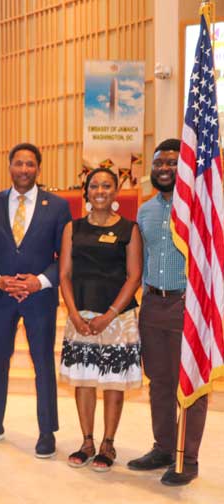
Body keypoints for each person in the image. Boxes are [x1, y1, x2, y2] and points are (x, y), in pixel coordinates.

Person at [0, 142, 71, 458]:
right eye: (19, 163)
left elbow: (64, 256)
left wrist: (39, 281)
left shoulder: (56, 206)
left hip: (39, 298)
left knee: (43, 363)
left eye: (30, 164)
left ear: (38, 169)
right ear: (10, 166)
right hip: (1, 296)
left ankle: (47, 432)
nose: (24, 169)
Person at [127, 138, 208, 486]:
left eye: (172, 163)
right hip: (153, 304)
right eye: (159, 163)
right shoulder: (145, 210)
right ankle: (163, 447)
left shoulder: (199, 208)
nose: (164, 169)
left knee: (190, 384)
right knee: (159, 382)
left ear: (185, 167)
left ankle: (186, 459)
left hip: (187, 305)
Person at [58, 168, 143, 471]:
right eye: (94, 185)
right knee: (83, 380)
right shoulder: (73, 228)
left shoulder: (129, 229)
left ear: (116, 191)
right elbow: (64, 274)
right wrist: (73, 313)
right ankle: (87, 441)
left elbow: (134, 276)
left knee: (113, 383)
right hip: (80, 315)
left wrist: (109, 315)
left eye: (107, 185)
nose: (100, 190)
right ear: (87, 190)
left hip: (117, 318)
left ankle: (108, 443)